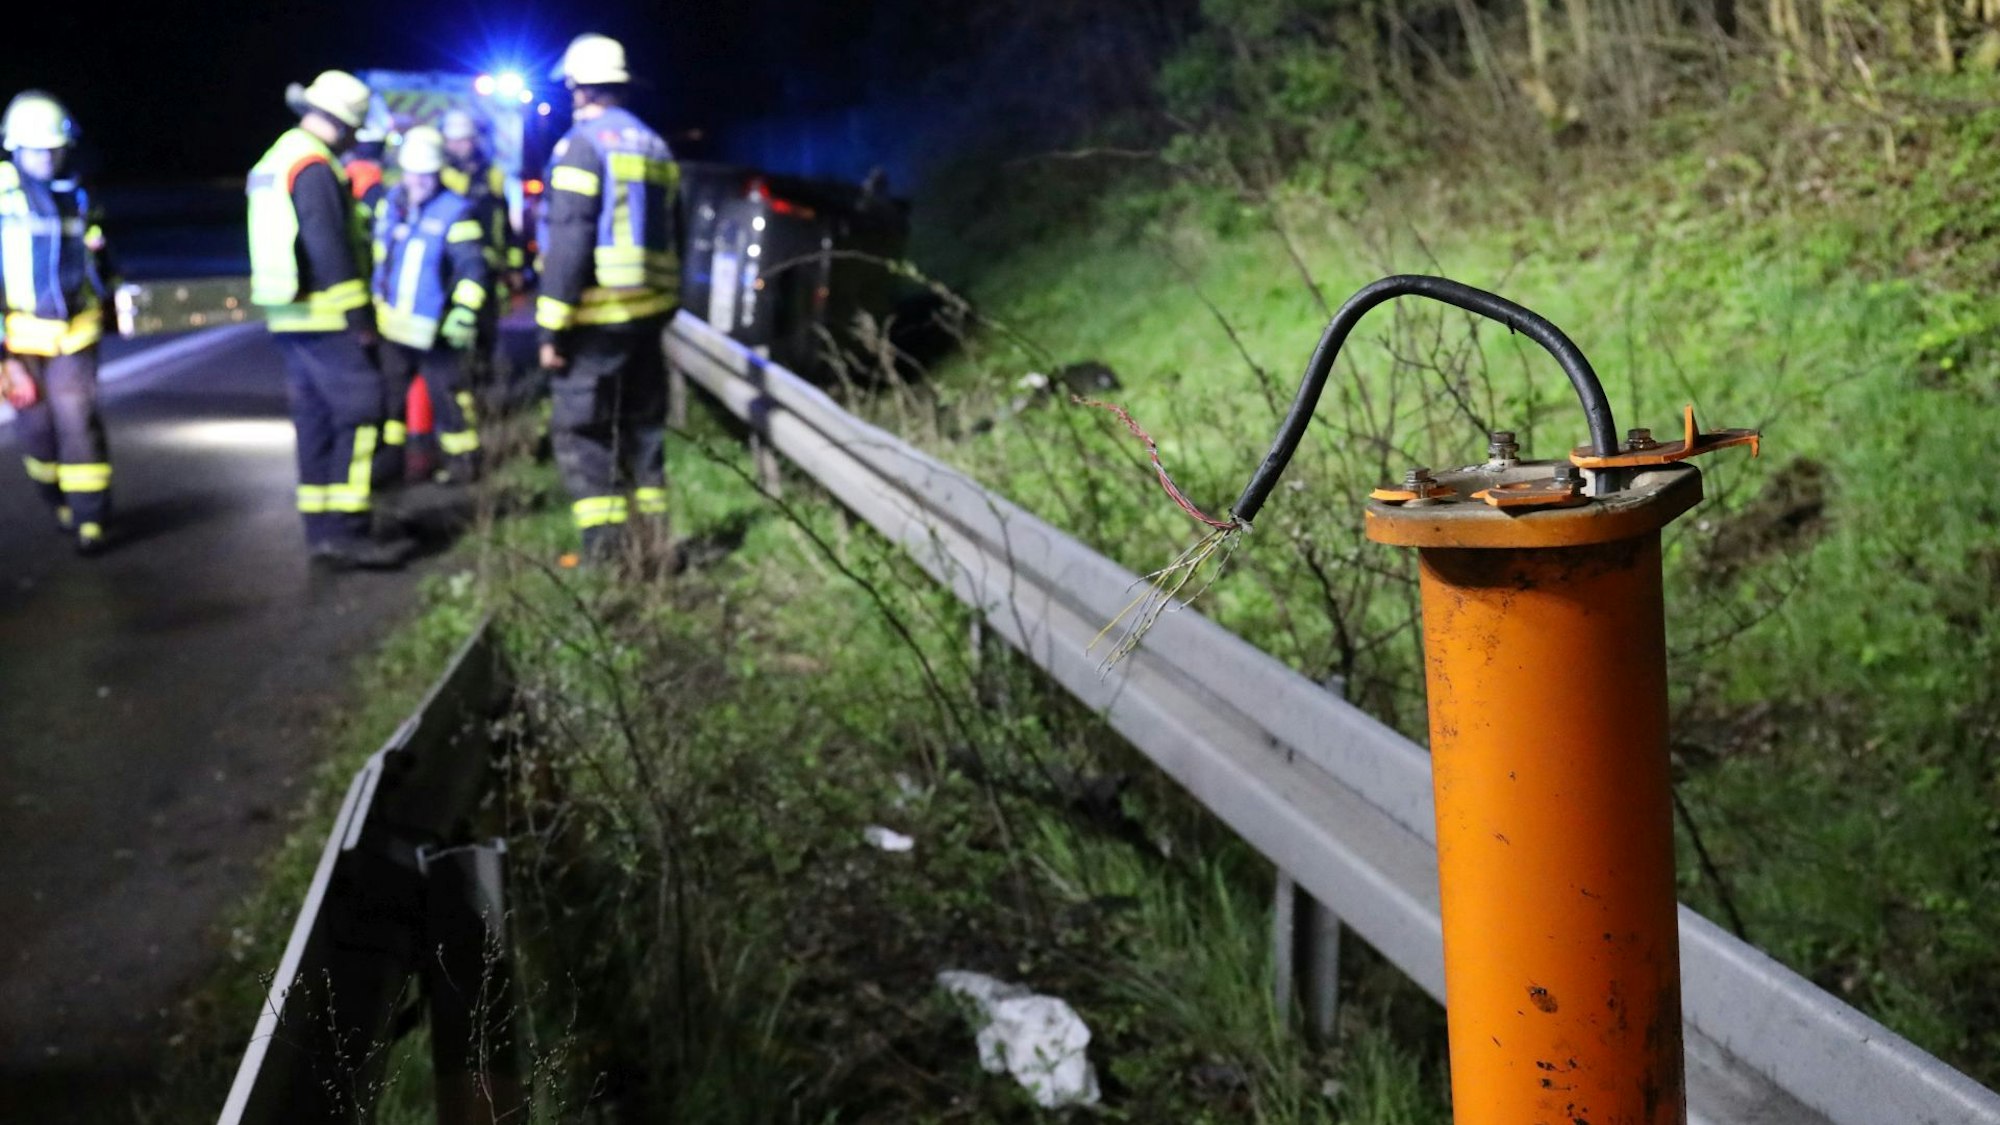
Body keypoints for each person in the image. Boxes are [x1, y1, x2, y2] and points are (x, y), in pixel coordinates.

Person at [247, 70, 412, 569]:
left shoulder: (279, 156)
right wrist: (359, 316)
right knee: (362, 412)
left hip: (289, 315)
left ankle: (320, 530)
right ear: (345, 125)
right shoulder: (315, 166)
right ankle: (349, 531)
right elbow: (329, 247)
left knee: (315, 421)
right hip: (326, 313)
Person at [537, 33, 679, 559]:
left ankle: (606, 556)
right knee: (642, 432)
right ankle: (657, 546)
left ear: (578, 88)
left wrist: (552, 328)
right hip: (648, 317)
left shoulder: (583, 145)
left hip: (596, 319)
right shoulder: (655, 144)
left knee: (582, 431)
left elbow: (570, 239)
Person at [0, 91, 120, 554]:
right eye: (36, 149)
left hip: (76, 331)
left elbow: (103, 258)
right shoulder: (4, 193)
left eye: (54, 148)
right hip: (20, 338)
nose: (47, 158)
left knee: (78, 422)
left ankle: (92, 519)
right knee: (37, 432)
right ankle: (57, 501)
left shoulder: (79, 192)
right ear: (15, 148)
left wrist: (108, 276)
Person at [370, 124, 486, 483]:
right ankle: (391, 468)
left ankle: (464, 470)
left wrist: (464, 313)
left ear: (437, 172)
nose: (419, 181)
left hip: (435, 330)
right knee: (390, 404)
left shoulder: (456, 211)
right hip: (391, 326)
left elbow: (473, 270)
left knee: (448, 399)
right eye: (413, 173)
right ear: (403, 171)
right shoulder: (391, 206)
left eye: (427, 174)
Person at [439, 108, 518, 387]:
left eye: (465, 140)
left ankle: (482, 388)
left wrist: (514, 263)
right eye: (454, 141)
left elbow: (505, 224)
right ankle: (458, 385)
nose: (460, 146)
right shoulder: (439, 175)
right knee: (451, 332)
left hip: (488, 264)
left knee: (486, 332)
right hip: (451, 266)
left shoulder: (493, 175)